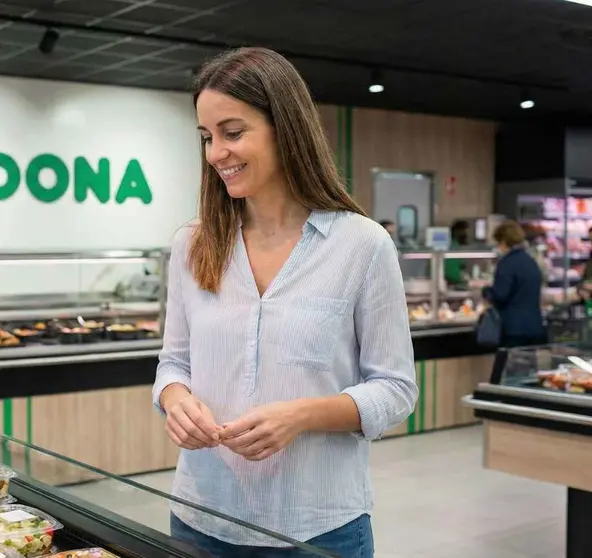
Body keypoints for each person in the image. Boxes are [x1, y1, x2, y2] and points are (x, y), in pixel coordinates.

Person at [153, 47, 417, 558]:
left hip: (316, 526)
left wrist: (302, 414)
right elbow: (173, 363)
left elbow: (396, 390)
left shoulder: (360, 245)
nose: (215, 154)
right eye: (207, 138)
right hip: (201, 516)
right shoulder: (193, 243)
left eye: (233, 133)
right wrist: (176, 401)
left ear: (285, 128)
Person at [483, 221, 546, 348]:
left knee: (507, 365)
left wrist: (485, 292)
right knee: (528, 366)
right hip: (534, 326)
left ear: (504, 242)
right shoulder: (530, 261)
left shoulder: (507, 264)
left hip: (513, 328)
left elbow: (501, 295)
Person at [443, 220, 471, 285]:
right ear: (456, 232)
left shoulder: (456, 245)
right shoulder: (452, 246)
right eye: (464, 231)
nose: (466, 234)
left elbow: (462, 265)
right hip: (451, 282)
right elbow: (451, 272)